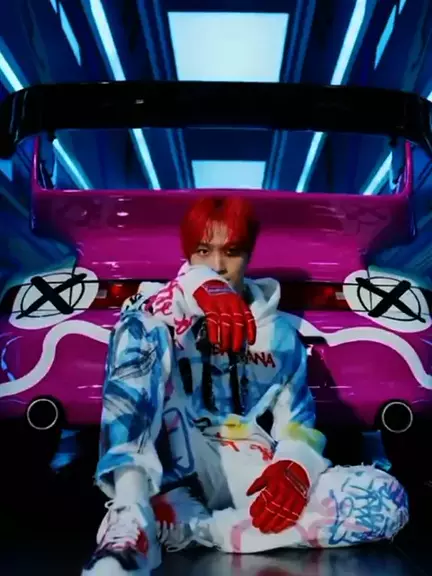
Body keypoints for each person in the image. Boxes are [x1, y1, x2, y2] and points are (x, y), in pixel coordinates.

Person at [82, 196, 409, 575]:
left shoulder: (281, 334)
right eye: (203, 251)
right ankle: (132, 512)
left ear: (249, 255)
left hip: (249, 473)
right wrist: (198, 286)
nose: (218, 266)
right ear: (188, 255)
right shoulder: (160, 304)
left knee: (386, 500)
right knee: (137, 328)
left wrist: (295, 467)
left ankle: (195, 529)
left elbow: (297, 424)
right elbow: (135, 323)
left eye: (231, 252)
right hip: (174, 469)